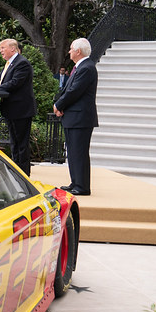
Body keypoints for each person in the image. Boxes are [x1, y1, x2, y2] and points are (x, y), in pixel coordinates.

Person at [54, 37, 98, 196]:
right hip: (74, 117)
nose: (69, 51)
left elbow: (74, 91)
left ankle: (82, 186)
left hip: (80, 119)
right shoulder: (81, 67)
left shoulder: (86, 68)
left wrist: (59, 105)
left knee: (79, 152)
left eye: (71, 49)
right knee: (72, 152)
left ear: (78, 51)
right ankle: (76, 182)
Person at [0, 38, 36, 175]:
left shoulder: (22, 63)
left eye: (3, 48)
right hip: (11, 110)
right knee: (14, 143)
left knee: (21, 144)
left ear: (13, 48)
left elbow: (15, 83)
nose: (1, 51)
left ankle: (23, 174)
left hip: (21, 111)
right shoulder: (8, 64)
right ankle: (16, 172)